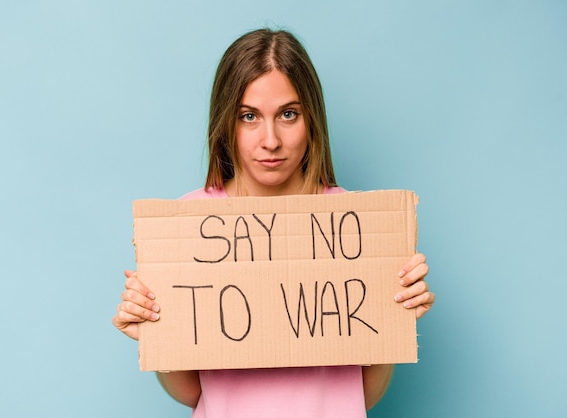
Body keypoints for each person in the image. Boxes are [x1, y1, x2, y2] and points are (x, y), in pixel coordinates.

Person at [112, 28, 435, 417]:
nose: (271, 140)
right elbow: (191, 393)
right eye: (249, 116)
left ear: (310, 118)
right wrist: (156, 332)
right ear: (226, 122)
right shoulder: (191, 221)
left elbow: (361, 397)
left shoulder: (356, 225)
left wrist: (392, 320)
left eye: (288, 114)